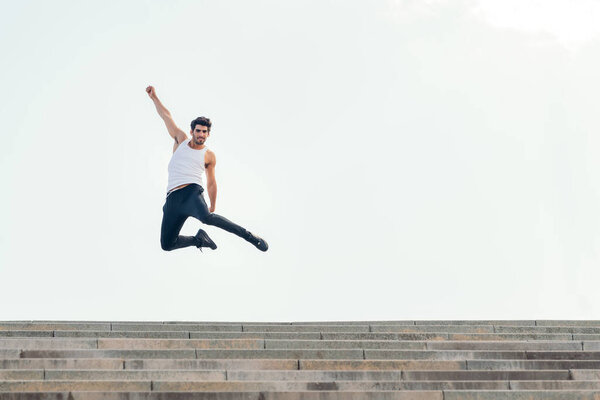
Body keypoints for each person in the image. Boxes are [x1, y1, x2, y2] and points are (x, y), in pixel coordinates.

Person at [146, 85, 268, 252]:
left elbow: (211, 182)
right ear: (192, 131)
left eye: (204, 132)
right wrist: (154, 98)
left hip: (191, 193)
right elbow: (166, 116)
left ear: (208, 134)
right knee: (167, 244)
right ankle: (200, 240)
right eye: (198, 131)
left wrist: (212, 205)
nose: (201, 134)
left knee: (207, 218)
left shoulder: (208, 155)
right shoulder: (180, 140)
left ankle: (249, 236)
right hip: (172, 199)